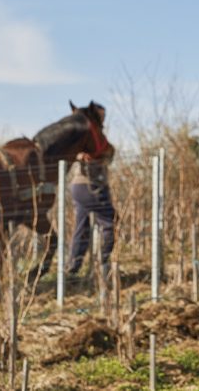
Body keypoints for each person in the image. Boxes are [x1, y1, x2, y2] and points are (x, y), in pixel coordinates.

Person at [67, 102, 116, 279]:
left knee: (82, 228)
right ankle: (103, 263)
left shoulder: (97, 135)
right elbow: (73, 151)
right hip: (91, 185)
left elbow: (110, 153)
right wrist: (80, 156)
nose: (103, 119)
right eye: (101, 116)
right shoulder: (87, 133)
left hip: (80, 186)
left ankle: (72, 268)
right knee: (109, 223)